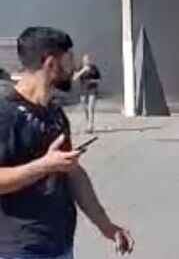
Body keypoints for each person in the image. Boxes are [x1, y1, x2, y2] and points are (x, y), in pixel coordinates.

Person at [0, 27, 133, 258]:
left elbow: (73, 173)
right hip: (17, 248)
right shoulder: (6, 113)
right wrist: (44, 166)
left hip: (58, 245)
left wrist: (106, 225)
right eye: (69, 59)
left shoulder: (54, 113)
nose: (73, 68)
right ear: (51, 63)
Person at [73, 54, 101, 134]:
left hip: (92, 89)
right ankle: (87, 122)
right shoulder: (80, 67)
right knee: (84, 107)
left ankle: (90, 126)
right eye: (85, 60)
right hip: (83, 90)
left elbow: (98, 80)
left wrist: (92, 81)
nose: (87, 61)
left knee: (90, 108)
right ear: (83, 60)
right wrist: (83, 71)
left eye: (88, 59)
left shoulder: (94, 68)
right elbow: (75, 78)